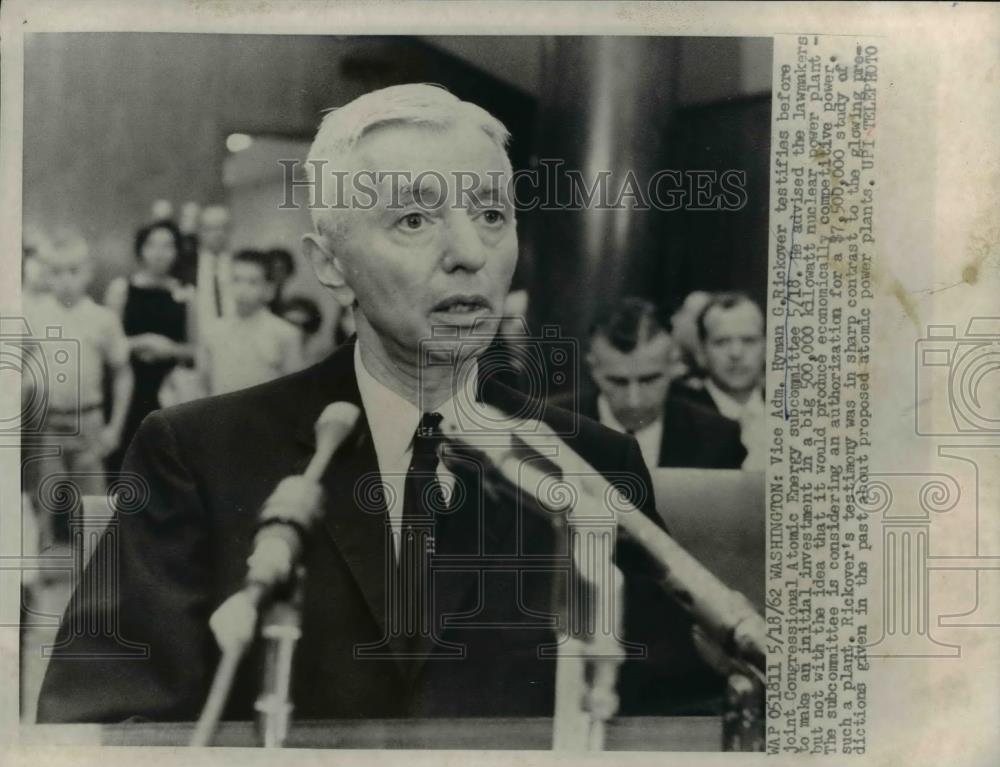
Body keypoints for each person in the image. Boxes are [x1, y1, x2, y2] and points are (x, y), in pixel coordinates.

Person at [38, 85, 718, 724]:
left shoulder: (590, 461)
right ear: (331, 264)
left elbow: (678, 719)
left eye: (491, 214)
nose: (468, 253)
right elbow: (101, 721)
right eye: (415, 219)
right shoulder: (196, 455)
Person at [22, 231, 133, 549]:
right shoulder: (34, 315)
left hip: (90, 422)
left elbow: (123, 373)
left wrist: (115, 427)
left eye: (73, 271)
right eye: (56, 273)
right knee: (42, 500)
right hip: (47, 425)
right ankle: (36, 581)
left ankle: (93, 576)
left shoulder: (103, 319)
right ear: (46, 275)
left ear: (88, 273)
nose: (65, 281)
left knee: (94, 505)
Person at [581, 297, 746, 471]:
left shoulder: (718, 437)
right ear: (593, 369)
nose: (634, 401)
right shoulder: (552, 428)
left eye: (649, 380)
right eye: (617, 382)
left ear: (674, 365)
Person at [104, 220, 195, 475]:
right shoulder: (121, 289)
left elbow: (195, 349)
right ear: (141, 249)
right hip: (127, 386)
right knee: (123, 462)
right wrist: (140, 342)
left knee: (162, 462)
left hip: (168, 388)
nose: (159, 252)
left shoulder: (185, 293)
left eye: (167, 246)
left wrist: (170, 350)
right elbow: (107, 343)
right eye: (152, 245)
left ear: (177, 252)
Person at [672, 293, 767, 470]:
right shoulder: (679, 417)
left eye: (749, 340)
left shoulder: (790, 412)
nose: (736, 353)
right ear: (701, 352)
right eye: (721, 342)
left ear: (766, 346)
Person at [199, 250, 305, 395]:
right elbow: (204, 385)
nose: (242, 290)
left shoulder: (285, 333)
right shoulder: (213, 331)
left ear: (269, 290)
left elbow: (296, 390)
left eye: (252, 282)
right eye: (236, 280)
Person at [193, 204, 234, 333]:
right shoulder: (186, 267)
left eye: (223, 228)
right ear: (199, 231)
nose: (218, 234)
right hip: (199, 340)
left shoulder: (239, 265)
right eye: (211, 229)